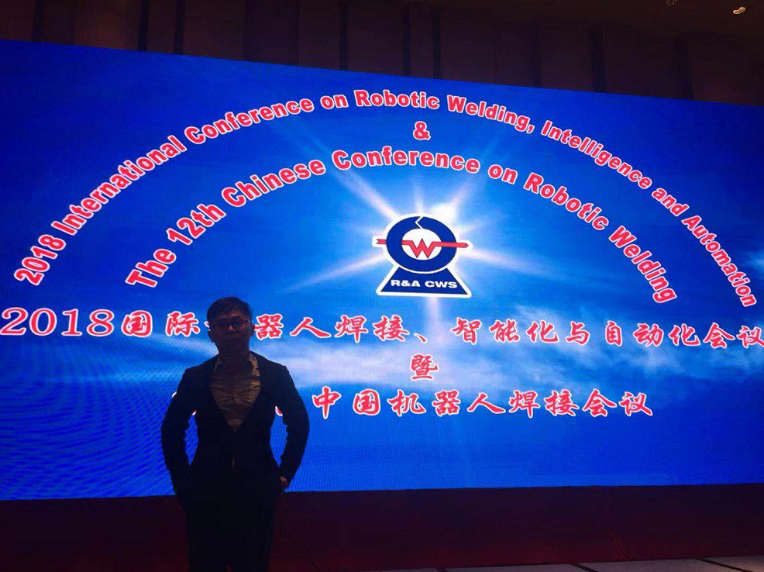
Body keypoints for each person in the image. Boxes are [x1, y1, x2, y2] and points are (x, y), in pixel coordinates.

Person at [161, 297, 309, 571]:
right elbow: (171, 429)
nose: (230, 329)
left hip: (258, 488)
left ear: (252, 328)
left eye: (237, 323)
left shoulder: (275, 374)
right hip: (205, 489)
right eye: (222, 325)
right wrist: (181, 480)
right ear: (211, 334)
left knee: (253, 564)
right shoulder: (195, 376)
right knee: (206, 564)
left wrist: (285, 473)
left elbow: (299, 424)